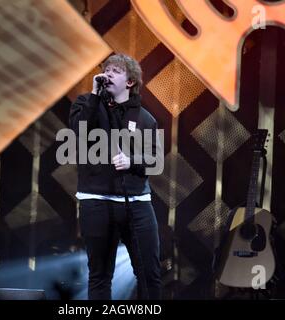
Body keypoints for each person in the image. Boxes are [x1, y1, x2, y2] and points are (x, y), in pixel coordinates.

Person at [69, 53, 162, 300]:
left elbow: (155, 159)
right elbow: (78, 131)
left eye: (116, 71)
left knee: (149, 274)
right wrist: (92, 95)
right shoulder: (85, 104)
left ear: (130, 82)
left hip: (137, 204)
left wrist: (131, 162)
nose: (108, 74)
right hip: (96, 201)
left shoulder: (145, 118)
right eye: (106, 69)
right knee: (99, 274)